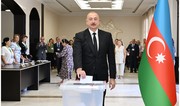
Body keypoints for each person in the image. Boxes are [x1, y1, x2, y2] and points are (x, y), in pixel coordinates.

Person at [73, 11, 116, 106]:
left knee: (100, 102)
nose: (93, 21)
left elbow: (111, 57)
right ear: (86, 22)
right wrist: (79, 69)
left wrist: (112, 77)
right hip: (85, 75)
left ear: (99, 21)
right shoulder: (79, 36)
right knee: (86, 101)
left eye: (95, 19)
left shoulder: (107, 36)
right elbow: (77, 54)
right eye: (90, 19)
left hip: (101, 75)